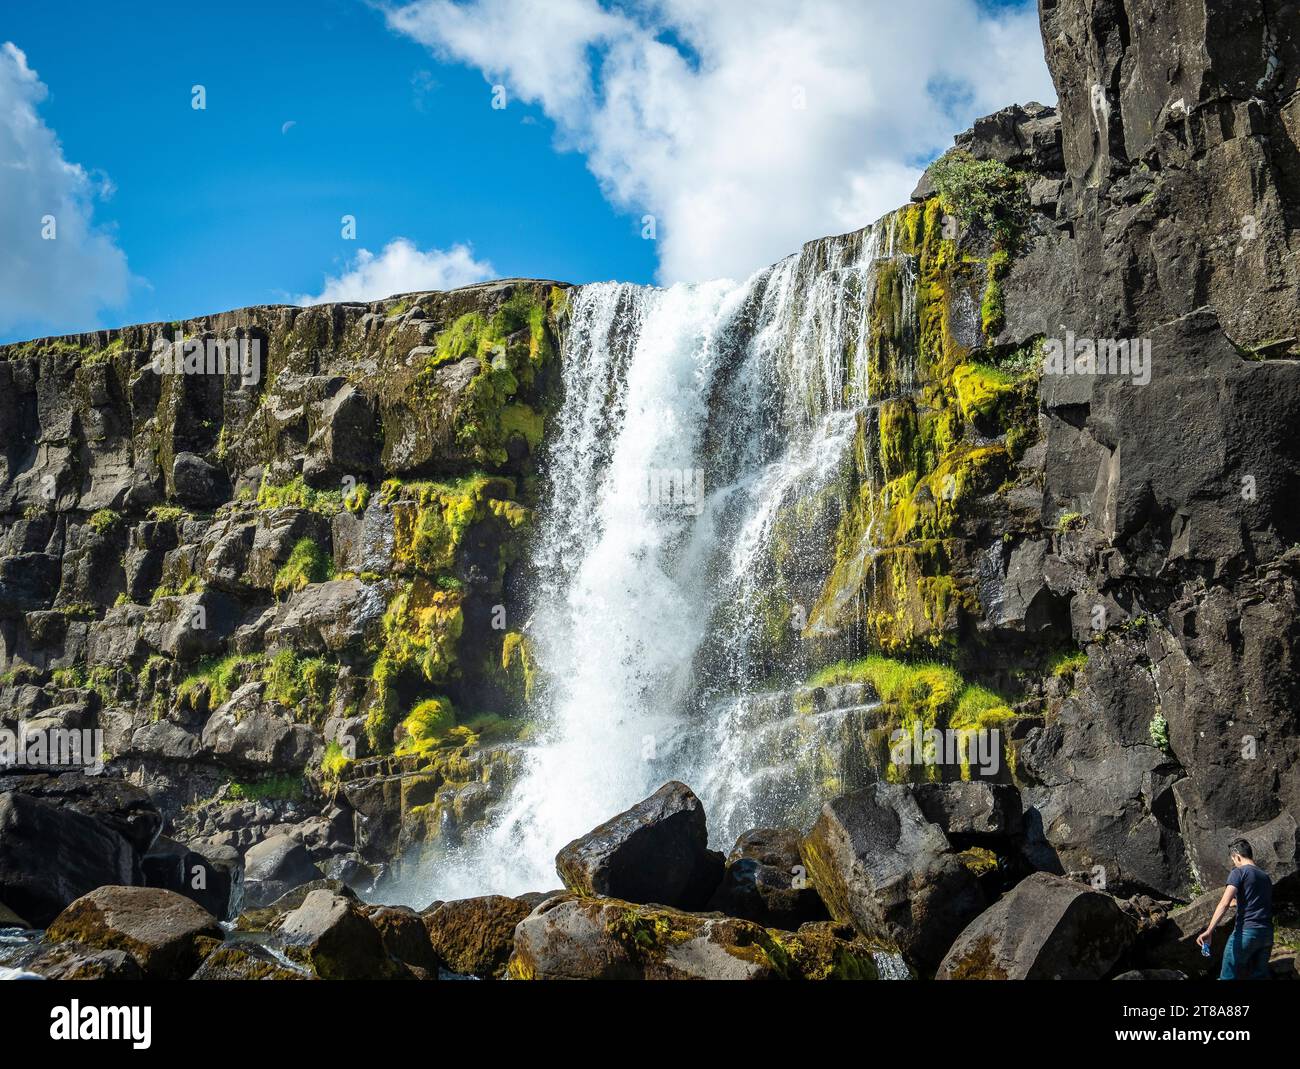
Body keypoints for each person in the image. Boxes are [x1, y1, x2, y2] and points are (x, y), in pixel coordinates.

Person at [1196, 838, 1274, 979]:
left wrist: (1209, 931)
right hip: (1267, 934)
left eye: (1233, 860)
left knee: (1228, 976)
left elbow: (1224, 903)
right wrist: (1238, 902)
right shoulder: (1265, 877)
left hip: (1246, 932)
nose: (1234, 863)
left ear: (1237, 856)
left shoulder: (1239, 872)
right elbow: (1257, 901)